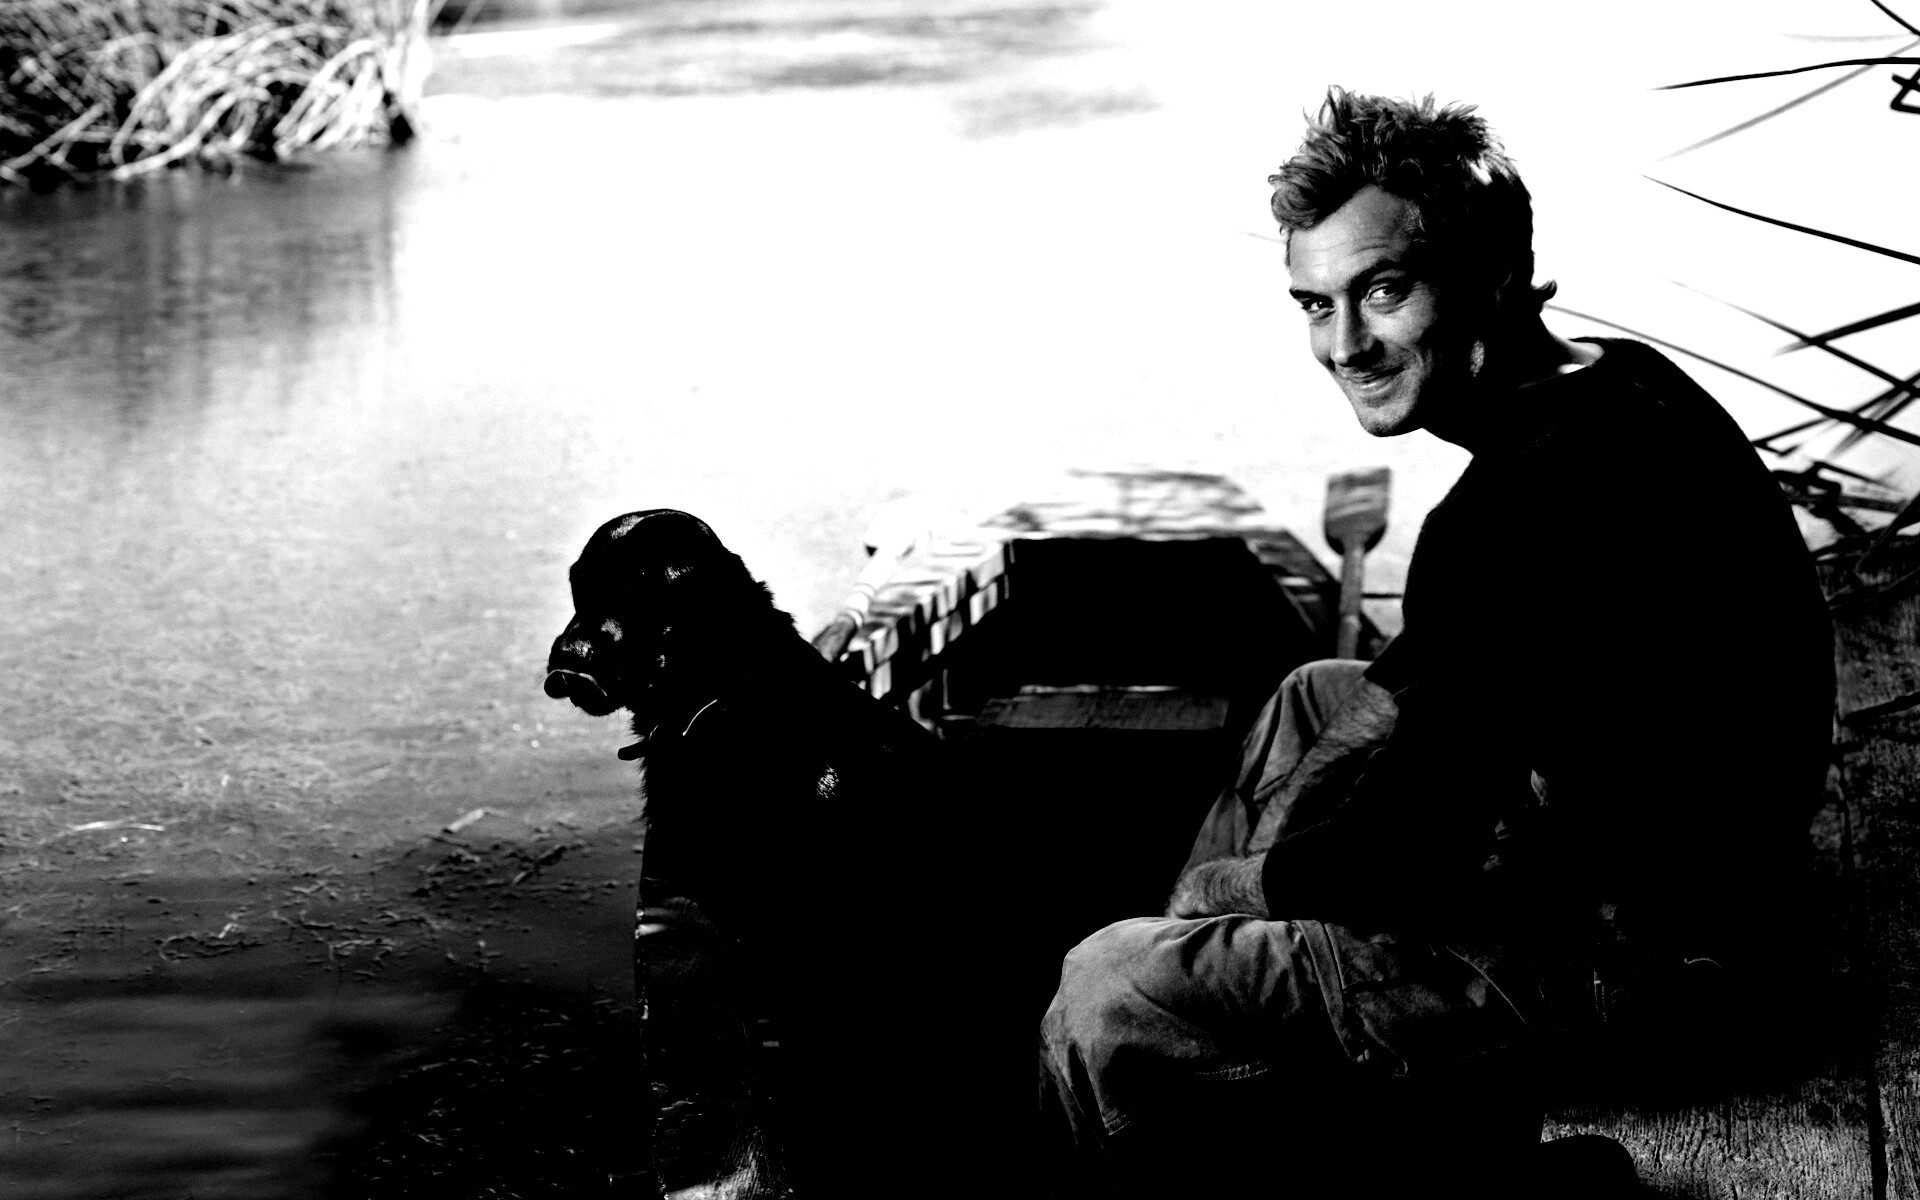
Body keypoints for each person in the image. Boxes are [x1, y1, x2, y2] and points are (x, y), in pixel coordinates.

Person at [1037, 89, 1835, 1197]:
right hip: (1676, 866)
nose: (1345, 345)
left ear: (1494, 274)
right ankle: (1248, 1033)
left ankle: (1270, 1117)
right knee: (1317, 694)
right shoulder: (1616, 380)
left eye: (1384, 291)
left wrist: (1226, 885)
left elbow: (1398, 861)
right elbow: (1427, 674)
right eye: (1315, 305)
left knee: (1107, 988)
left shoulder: (1517, 511)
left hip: (1656, 969)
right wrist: (1272, 875)